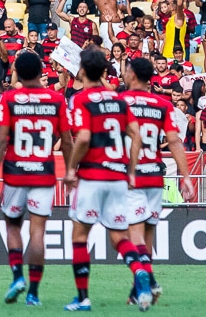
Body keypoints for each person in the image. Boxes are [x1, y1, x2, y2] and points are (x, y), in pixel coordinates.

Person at [65, 47, 145, 309]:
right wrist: (131, 170)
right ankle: (140, 272)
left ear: (83, 70)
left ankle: (82, 298)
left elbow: (84, 138)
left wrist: (70, 168)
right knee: (120, 237)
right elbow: (136, 135)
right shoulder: (119, 99)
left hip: (92, 176)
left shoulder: (81, 99)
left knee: (79, 237)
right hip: (118, 177)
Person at [0, 49, 64, 308]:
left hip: (15, 172)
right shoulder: (56, 100)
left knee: (13, 226)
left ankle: (17, 276)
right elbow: (68, 139)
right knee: (38, 233)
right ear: (42, 72)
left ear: (16, 71)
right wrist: (72, 170)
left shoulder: (9, 99)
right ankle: (34, 293)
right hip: (43, 171)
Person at [118, 57, 189, 310]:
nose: (125, 74)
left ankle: (150, 283)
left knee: (131, 236)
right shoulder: (163, 104)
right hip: (155, 177)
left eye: (127, 71)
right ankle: (138, 289)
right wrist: (186, 176)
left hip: (132, 176)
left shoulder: (120, 102)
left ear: (133, 75)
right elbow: (174, 141)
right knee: (147, 237)